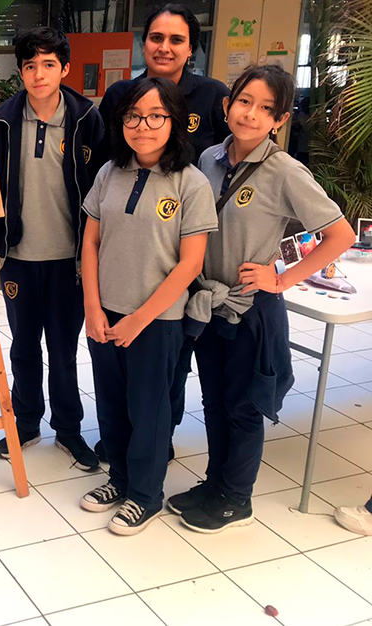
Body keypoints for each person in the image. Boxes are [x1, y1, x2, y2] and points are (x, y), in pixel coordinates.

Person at [168, 65, 356, 533]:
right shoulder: (208, 158)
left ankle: (236, 498)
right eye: (244, 101)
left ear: (280, 118)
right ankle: (214, 484)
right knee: (213, 401)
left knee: (244, 406)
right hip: (207, 305)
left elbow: (340, 235)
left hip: (251, 310)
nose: (250, 114)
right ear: (228, 104)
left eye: (265, 108)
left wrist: (281, 279)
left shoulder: (285, 171)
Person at [79, 78, 218, 535]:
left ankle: (145, 495)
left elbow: (190, 263)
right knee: (112, 404)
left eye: (155, 116)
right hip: (106, 313)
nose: (143, 126)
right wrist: (93, 308)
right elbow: (91, 243)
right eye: (133, 116)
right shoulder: (108, 174)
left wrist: (141, 318)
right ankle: (118, 480)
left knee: (150, 411)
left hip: (157, 320)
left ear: (174, 121)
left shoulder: (190, 182)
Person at [94, 3, 232, 463]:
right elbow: (109, 162)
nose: (164, 47)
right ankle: (131, 440)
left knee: (170, 355)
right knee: (127, 362)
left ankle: (156, 439)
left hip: (194, 239)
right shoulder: (121, 94)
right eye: (156, 37)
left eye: (176, 39)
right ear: (144, 42)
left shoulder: (212, 95)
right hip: (138, 240)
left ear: (191, 47)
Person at [0, 27, 104, 471]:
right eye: (31, 66)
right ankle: (26, 421)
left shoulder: (85, 118)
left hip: (70, 259)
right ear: (20, 71)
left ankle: (70, 430)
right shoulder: (0, 120)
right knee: (23, 344)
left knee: (62, 346)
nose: (39, 74)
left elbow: (100, 185)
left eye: (49, 65)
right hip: (17, 255)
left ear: (65, 69)